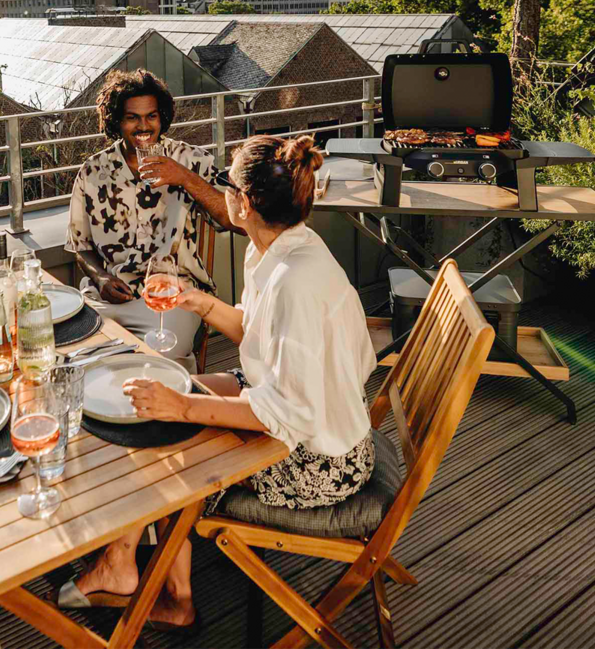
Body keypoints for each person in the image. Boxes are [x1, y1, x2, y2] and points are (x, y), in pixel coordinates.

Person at [58, 135, 377, 630]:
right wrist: (197, 301)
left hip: (321, 461)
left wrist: (182, 408)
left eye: (226, 181)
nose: (222, 188)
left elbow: (288, 415)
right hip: (304, 408)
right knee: (158, 404)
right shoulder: (283, 247)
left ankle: (173, 595)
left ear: (243, 203)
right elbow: (258, 330)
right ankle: (122, 563)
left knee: (168, 445)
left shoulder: (297, 281)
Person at [66, 68, 240, 369]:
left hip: (175, 293)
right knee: (79, 353)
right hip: (110, 296)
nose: (143, 126)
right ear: (117, 121)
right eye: (132, 117)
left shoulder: (190, 160)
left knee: (161, 359)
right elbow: (80, 245)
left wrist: (183, 177)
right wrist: (101, 277)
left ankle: (178, 406)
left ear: (163, 117)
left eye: (152, 116)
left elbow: (231, 219)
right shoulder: (92, 171)